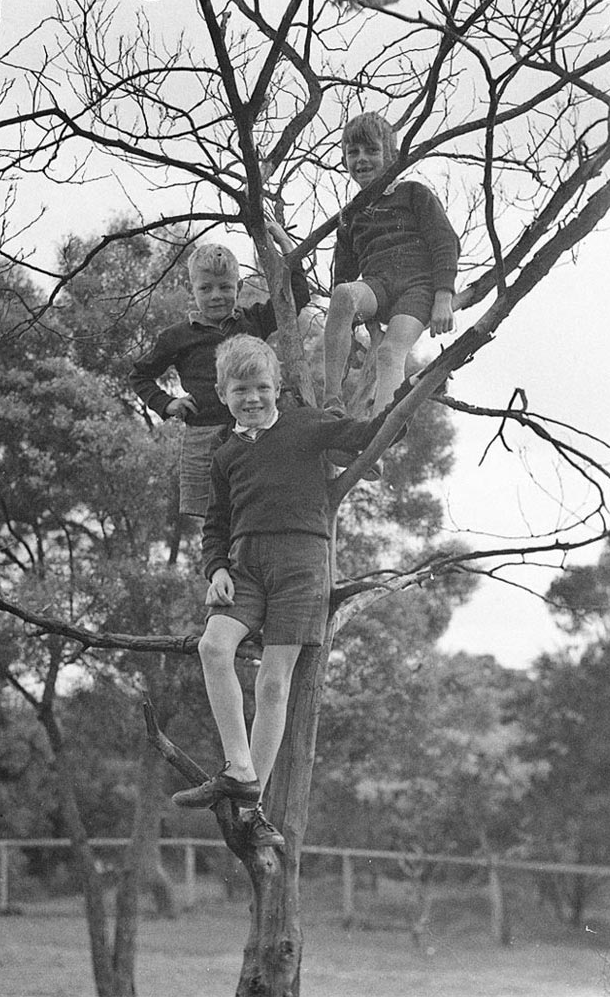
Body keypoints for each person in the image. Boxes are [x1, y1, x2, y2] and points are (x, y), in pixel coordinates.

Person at [171, 335, 394, 848]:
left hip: (300, 563)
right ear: (224, 395)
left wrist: (399, 390)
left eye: (262, 387)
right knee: (213, 646)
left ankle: (252, 809)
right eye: (241, 389)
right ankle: (239, 768)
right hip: (245, 567)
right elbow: (216, 524)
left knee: (273, 684)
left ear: (278, 389)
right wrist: (214, 570)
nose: (253, 398)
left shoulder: (305, 424)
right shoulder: (225, 455)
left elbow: (367, 433)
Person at [128, 225, 309, 518]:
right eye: (205, 288)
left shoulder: (253, 322)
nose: (216, 296)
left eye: (225, 287)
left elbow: (297, 295)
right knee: (212, 520)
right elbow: (139, 375)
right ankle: (217, 566)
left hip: (254, 431)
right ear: (193, 289)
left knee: (256, 511)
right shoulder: (177, 337)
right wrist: (167, 403)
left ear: (238, 288)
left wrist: (286, 244)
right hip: (203, 437)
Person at [323, 111, 460, 420]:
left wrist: (443, 296)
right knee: (344, 294)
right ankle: (331, 400)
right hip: (377, 288)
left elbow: (445, 242)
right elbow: (342, 277)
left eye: (372, 150)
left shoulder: (412, 194)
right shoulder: (350, 216)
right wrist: (359, 326)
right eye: (353, 152)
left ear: (390, 155)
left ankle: (379, 438)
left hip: (417, 290)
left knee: (389, 353)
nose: (362, 159)